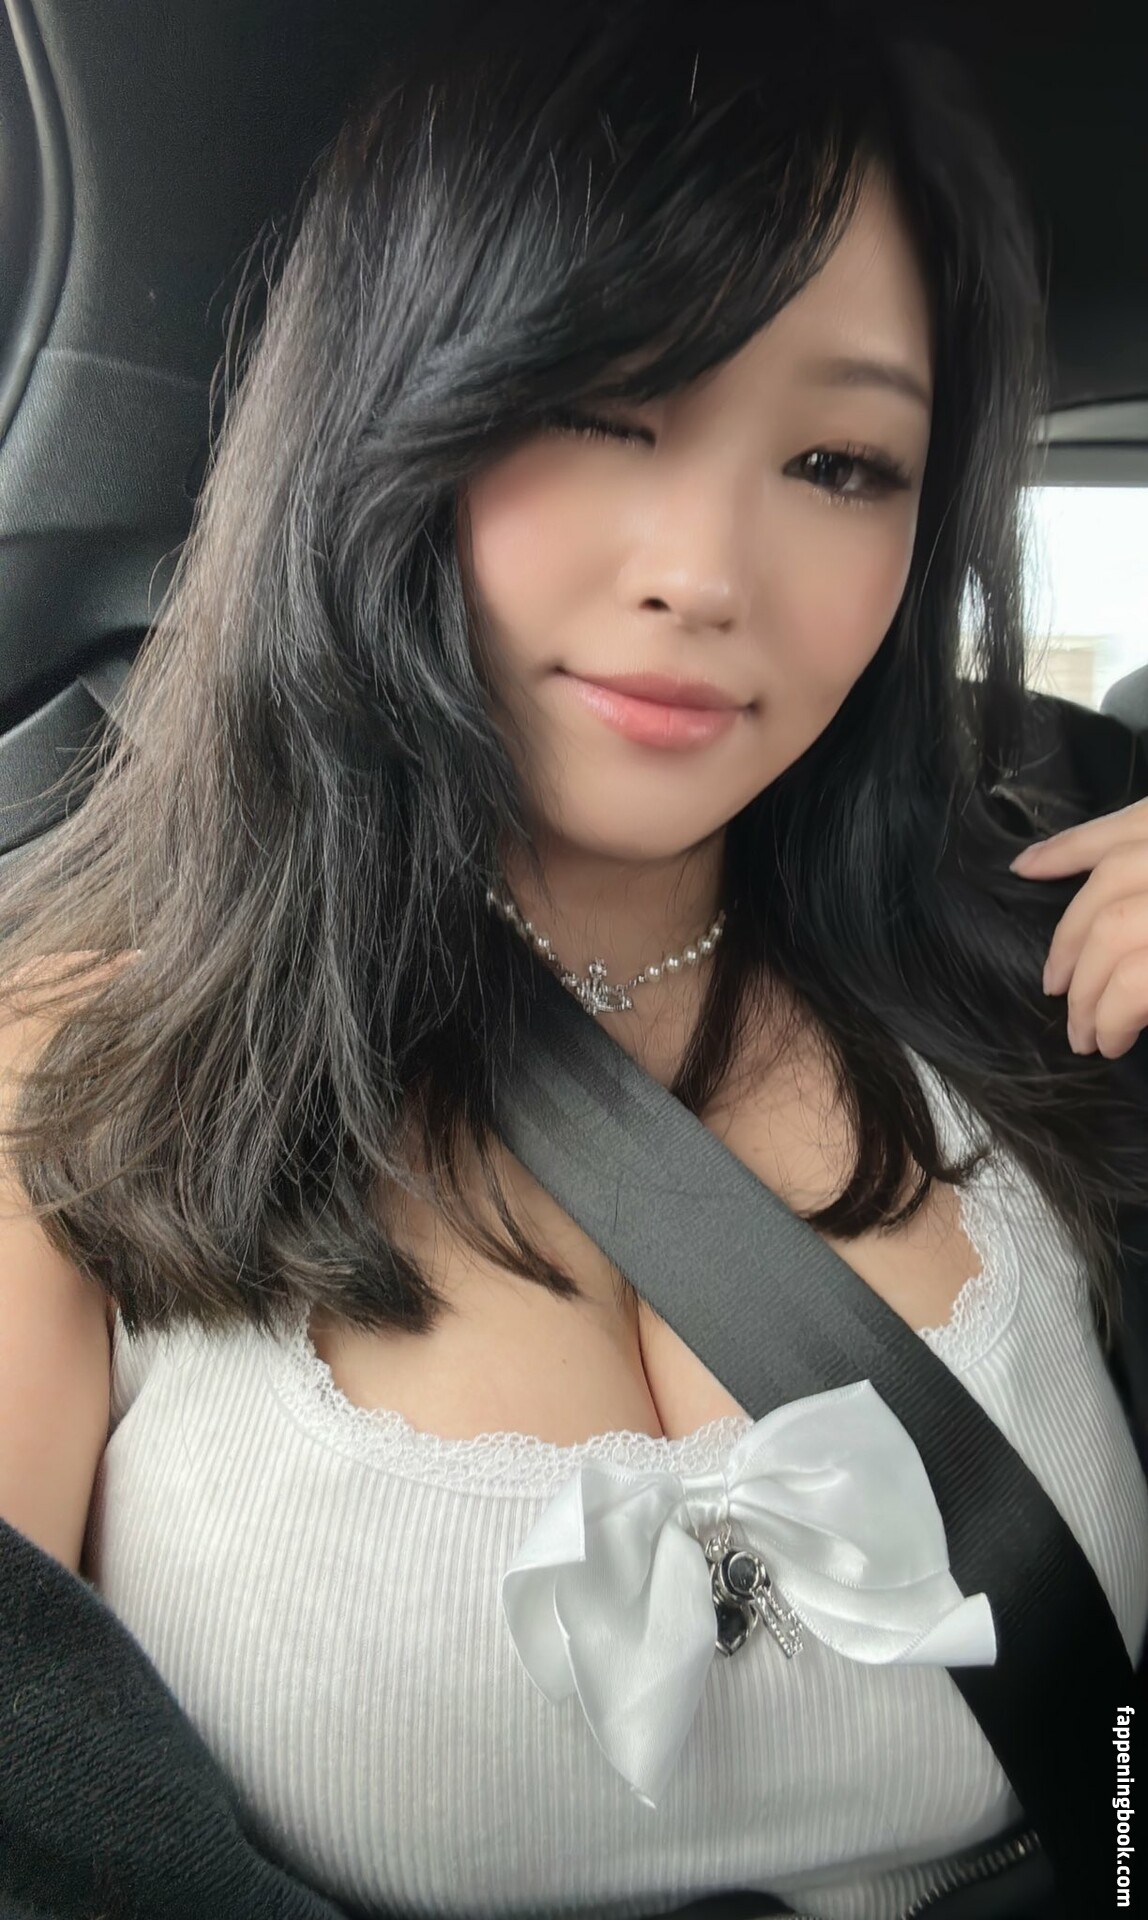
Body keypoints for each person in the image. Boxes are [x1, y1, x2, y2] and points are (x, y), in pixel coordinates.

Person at [1, 1, 1146, 1915]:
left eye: (841, 462)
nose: (705, 571)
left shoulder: (1037, 964)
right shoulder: (68, 1074)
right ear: (389, 416)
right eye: (605, 409)